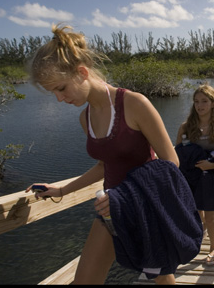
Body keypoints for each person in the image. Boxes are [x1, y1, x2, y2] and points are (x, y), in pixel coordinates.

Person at [24, 23, 198, 285]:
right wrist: (61, 191)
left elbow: (170, 161)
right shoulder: (86, 117)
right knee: (85, 280)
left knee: (161, 275)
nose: (59, 99)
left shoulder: (134, 103)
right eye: (53, 93)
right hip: (111, 210)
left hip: (146, 205)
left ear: (82, 72)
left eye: (61, 88)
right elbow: (105, 166)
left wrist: (125, 196)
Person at [175, 84, 214, 266]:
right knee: (195, 214)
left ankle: (213, 248)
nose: (200, 105)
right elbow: (175, 153)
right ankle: (197, 236)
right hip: (189, 178)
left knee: (210, 217)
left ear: (212, 103)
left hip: (210, 180)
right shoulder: (185, 127)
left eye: (204, 101)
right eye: (196, 102)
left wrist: (212, 164)